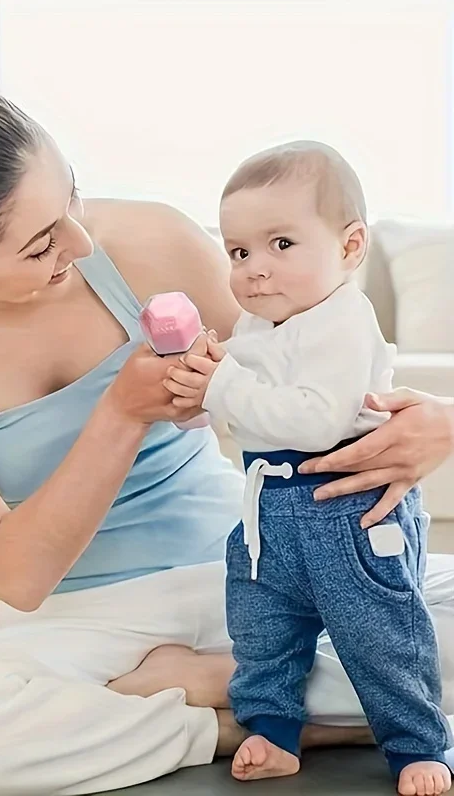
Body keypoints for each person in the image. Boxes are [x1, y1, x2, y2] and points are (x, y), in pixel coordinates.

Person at [0, 81, 454, 796]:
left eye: (69, 197)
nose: (82, 240)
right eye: (41, 243)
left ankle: (234, 694)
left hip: (257, 564)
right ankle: (251, 713)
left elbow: (311, 371)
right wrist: (121, 414)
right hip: (96, 620)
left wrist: (435, 422)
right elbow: (19, 575)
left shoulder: (150, 242)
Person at [165, 141, 452, 794]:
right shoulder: (261, 322)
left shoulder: (343, 324)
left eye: (282, 245)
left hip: (345, 515)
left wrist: (222, 385)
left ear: (351, 249)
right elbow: (245, 396)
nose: (255, 270)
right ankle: (272, 731)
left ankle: (419, 746)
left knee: (383, 637)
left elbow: (316, 420)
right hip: (269, 513)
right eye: (239, 253)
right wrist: (203, 382)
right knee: (262, 631)